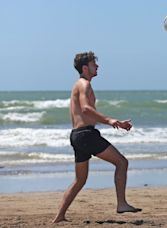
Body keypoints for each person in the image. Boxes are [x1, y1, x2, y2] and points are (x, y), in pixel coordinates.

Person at [53, 52, 141, 223]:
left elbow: (85, 113)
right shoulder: (84, 84)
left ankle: (59, 216)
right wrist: (111, 121)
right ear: (85, 68)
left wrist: (114, 123)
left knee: (80, 180)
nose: (97, 66)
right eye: (94, 64)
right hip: (86, 135)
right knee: (122, 162)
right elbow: (86, 109)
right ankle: (121, 204)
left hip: (77, 135)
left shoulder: (79, 84)